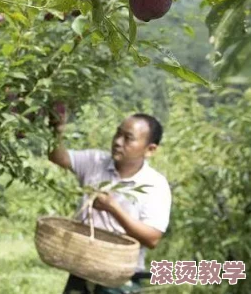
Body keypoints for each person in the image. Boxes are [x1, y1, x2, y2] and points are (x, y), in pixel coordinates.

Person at [48, 110, 172, 294]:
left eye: (128, 138)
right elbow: (58, 156)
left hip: (120, 278)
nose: (118, 142)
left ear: (150, 149)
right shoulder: (95, 161)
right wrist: (57, 130)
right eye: (118, 133)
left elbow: (152, 238)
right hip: (82, 268)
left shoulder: (155, 185)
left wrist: (114, 209)